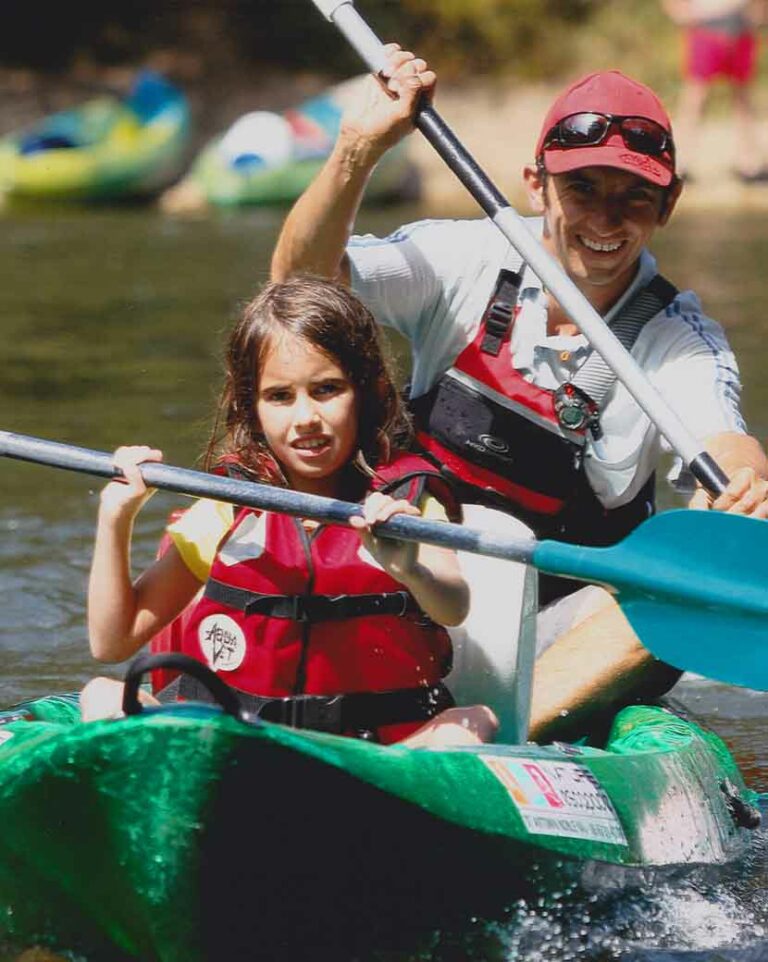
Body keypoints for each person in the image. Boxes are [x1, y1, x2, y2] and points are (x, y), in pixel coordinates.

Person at [270, 58, 768, 740]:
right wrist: (358, 149)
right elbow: (297, 288)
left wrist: (743, 485)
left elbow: (726, 442)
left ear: (668, 204)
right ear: (536, 184)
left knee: (679, 595)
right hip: (410, 588)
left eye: (634, 196)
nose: (605, 219)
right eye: (582, 188)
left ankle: (485, 742)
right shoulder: (461, 258)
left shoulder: (680, 339)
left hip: (552, 645)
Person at [82, 275, 499, 747]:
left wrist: (411, 569)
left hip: (370, 752)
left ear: (367, 391)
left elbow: (453, 607)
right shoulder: (228, 508)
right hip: (231, 742)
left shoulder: (404, 503)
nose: (305, 418)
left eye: (327, 389)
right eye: (280, 396)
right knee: (103, 694)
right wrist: (116, 518)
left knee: (474, 722)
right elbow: (112, 642)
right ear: (252, 407)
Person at [661, 0, 767, 181]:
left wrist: (759, 14)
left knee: (743, 99)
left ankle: (749, 162)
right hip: (706, 30)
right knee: (695, 98)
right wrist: (682, 14)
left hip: (740, 30)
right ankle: (681, 162)